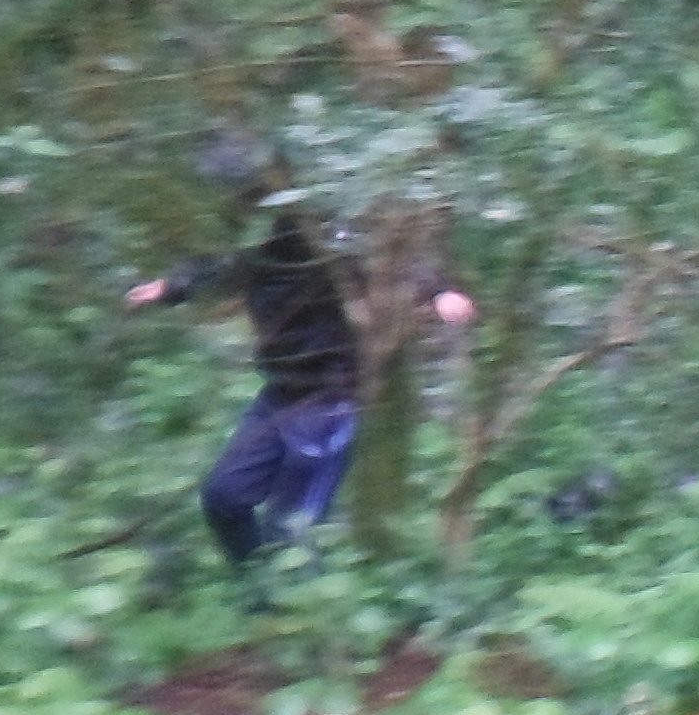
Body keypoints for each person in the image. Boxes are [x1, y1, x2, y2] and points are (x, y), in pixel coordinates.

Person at [126, 165, 473, 565]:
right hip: (280, 391)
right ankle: (261, 591)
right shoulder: (249, 240)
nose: (238, 203)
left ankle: (305, 596)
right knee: (224, 498)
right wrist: (169, 288)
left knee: (293, 531)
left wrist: (438, 292)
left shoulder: (315, 228)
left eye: (243, 194)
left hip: (332, 396)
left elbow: (384, 256)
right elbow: (214, 267)